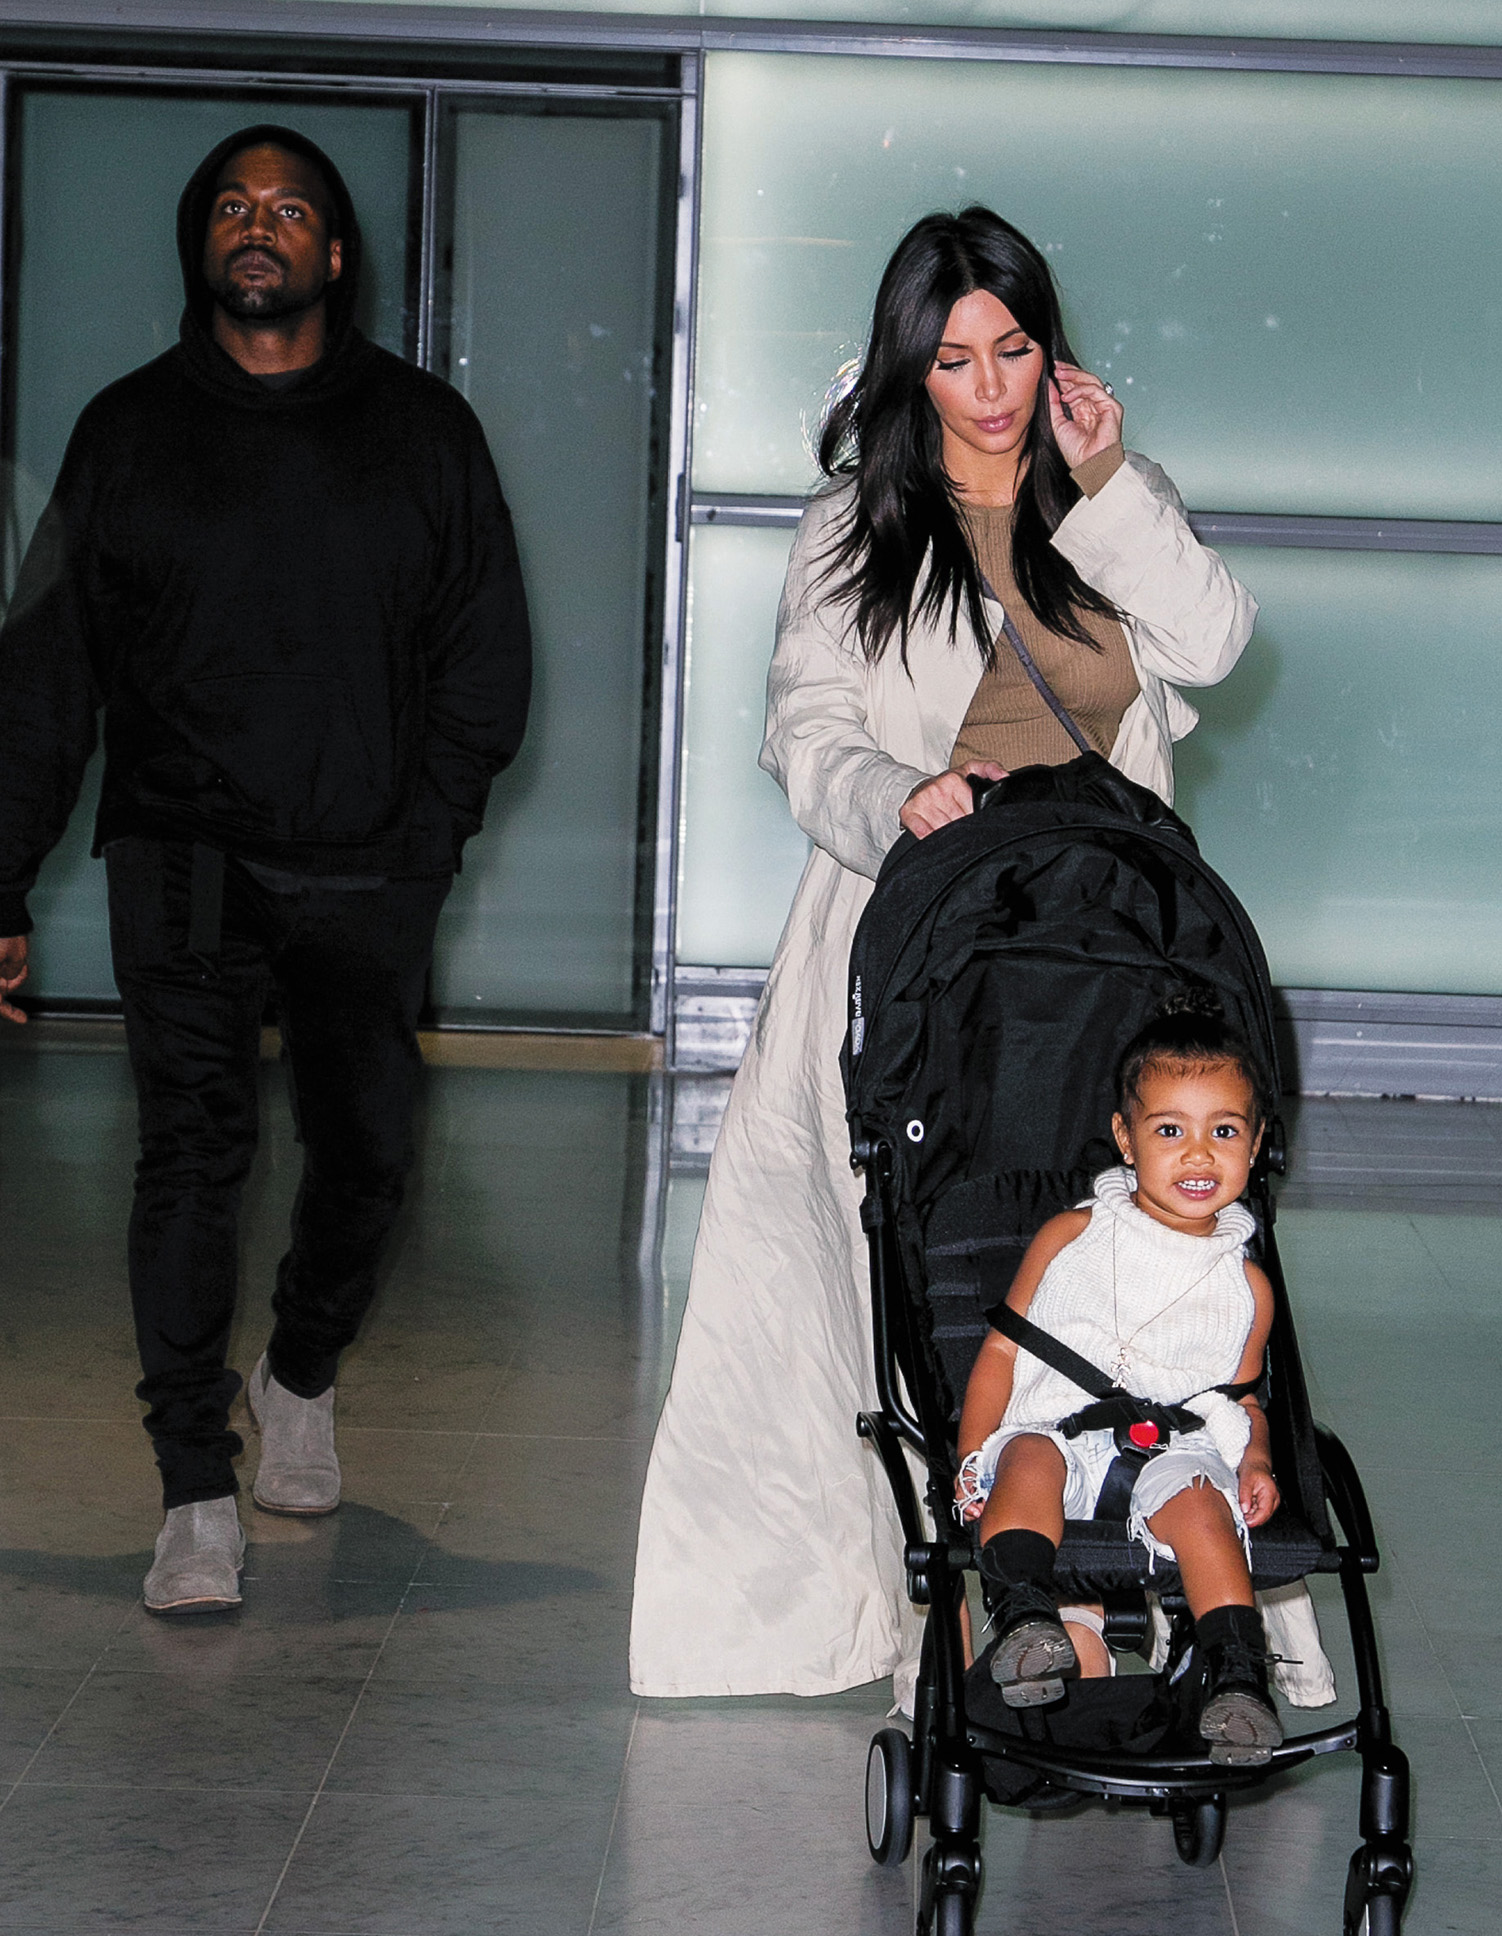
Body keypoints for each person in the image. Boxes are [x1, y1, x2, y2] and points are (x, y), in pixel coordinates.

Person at [630, 206, 1257, 1699]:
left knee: (1122, 1260)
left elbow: (1215, 644)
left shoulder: (1110, 496)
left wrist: (1100, 482)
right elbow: (804, 731)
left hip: (1100, 950)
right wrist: (890, 802)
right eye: (954, 358)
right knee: (909, 1273)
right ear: (907, 369)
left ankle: (1133, 1593)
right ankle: (950, 1608)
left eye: (1013, 349)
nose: (987, 388)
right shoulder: (855, 524)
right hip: (916, 944)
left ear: (1049, 352)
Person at [0, 126, 531, 1613]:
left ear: (335, 254)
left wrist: (424, 834)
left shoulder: (423, 433)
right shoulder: (126, 433)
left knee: (367, 1155)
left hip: (368, 866)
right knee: (189, 1155)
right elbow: (46, 674)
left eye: (290, 208)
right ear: (200, 243)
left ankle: (296, 1371)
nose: (259, 227)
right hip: (181, 859)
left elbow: (485, 662)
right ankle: (191, 1490)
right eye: (233, 206)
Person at [955, 994, 1284, 1764]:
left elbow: (1238, 1400)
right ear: (1125, 1139)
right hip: (1061, 1435)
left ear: (1257, 1142)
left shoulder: (1247, 1286)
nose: (1198, 1155)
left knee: (1205, 1509)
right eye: (1170, 1130)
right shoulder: (1074, 1236)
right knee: (1027, 1458)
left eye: (1224, 1132)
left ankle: (1237, 1675)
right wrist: (973, 1458)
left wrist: (1258, 1458)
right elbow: (1004, 1355)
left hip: (1171, 1447)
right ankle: (1027, 1614)